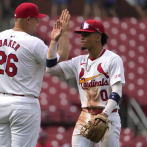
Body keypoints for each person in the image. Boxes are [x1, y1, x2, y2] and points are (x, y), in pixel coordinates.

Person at [0, 2, 70, 147]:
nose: (38, 22)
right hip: (24, 104)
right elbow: (58, 61)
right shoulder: (33, 42)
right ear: (28, 19)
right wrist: (65, 33)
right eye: (36, 18)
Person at [46, 19, 125, 147]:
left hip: (108, 117)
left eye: (86, 34)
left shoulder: (112, 59)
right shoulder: (79, 61)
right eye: (81, 34)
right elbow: (50, 68)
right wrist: (54, 41)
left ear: (98, 37)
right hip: (85, 116)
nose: (82, 37)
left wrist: (104, 114)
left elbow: (117, 92)